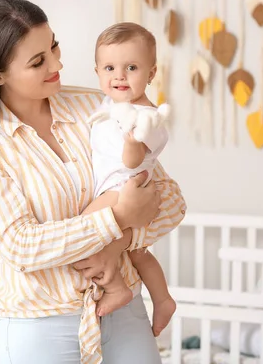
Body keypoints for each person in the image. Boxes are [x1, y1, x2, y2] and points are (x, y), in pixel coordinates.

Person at [0, 0, 187, 364]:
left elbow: (171, 201)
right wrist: (114, 220)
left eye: (54, 46)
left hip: (126, 315)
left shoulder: (96, 108)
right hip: (41, 329)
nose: (58, 64)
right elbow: (22, 246)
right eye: (38, 61)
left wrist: (118, 243)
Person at [81, 22, 176, 338]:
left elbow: (131, 161)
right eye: (110, 67)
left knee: (82, 236)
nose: (119, 76)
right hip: (113, 186)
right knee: (137, 253)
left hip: (125, 189)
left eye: (131, 67)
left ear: (151, 73)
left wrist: (133, 141)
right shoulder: (110, 103)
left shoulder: (149, 118)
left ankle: (117, 288)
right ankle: (162, 300)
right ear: (97, 72)